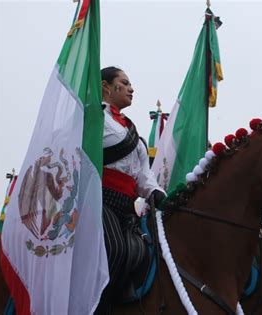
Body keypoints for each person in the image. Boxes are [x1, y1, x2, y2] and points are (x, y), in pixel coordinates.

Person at [96, 66, 166, 313]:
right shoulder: (92, 118)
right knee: (115, 248)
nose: (131, 88)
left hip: (127, 206)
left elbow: (144, 176)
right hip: (98, 201)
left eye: (130, 84)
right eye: (124, 83)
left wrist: (156, 192)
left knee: (143, 251)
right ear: (106, 86)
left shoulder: (133, 133)